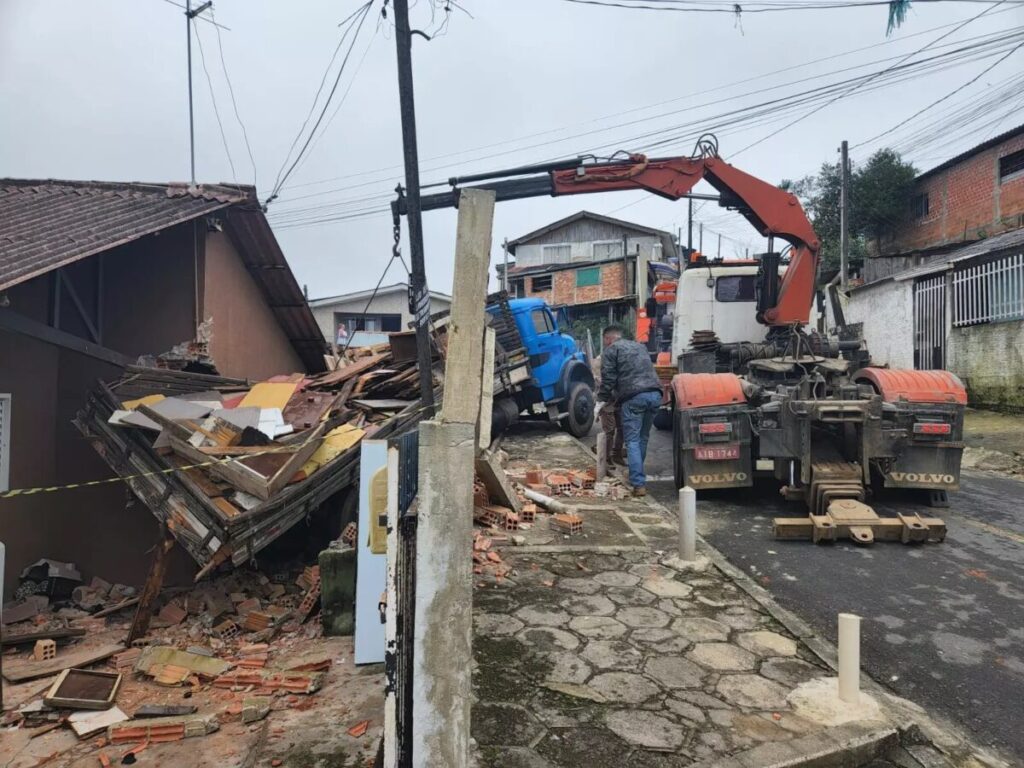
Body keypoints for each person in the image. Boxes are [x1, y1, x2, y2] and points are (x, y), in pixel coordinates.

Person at [598, 325, 662, 496]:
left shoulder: (612, 350)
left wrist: (601, 400)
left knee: (632, 440)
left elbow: (608, 378)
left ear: (608, 339)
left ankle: (638, 483)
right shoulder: (640, 347)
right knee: (643, 438)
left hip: (634, 397)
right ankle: (636, 475)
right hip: (655, 394)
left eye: (605, 342)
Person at [591, 352, 625, 466]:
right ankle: (606, 457)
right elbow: (601, 384)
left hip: (617, 400)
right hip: (606, 402)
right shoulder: (601, 362)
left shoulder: (618, 361)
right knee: (609, 431)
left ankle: (616, 454)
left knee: (622, 428)